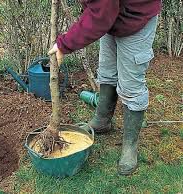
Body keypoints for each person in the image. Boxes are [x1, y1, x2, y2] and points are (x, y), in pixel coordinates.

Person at [48, 0, 162, 175]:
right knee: (107, 72)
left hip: (136, 17)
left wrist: (64, 44)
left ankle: (130, 145)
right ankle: (102, 120)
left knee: (131, 85)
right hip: (113, 14)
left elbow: (101, 14)